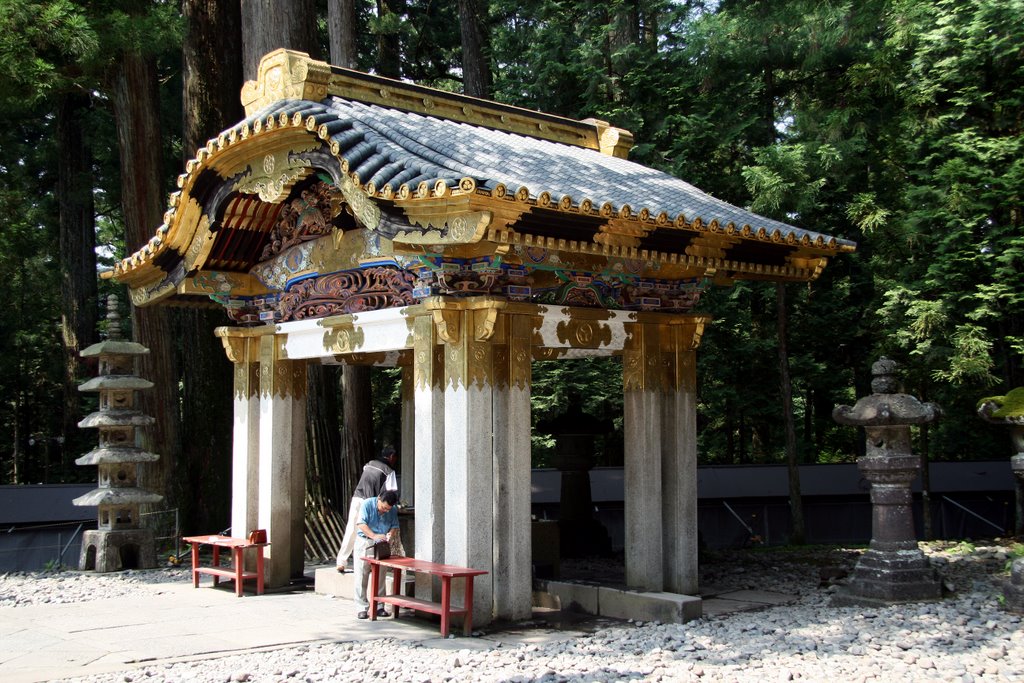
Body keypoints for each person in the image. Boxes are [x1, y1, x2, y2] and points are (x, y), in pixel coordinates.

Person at [336, 445, 398, 572]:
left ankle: (341, 561)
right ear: (392, 457)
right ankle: (369, 562)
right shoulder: (389, 471)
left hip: (357, 497)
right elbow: (390, 493)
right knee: (372, 532)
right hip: (370, 503)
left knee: (351, 529)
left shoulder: (369, 464)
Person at [353, 490, 400, 619]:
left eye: (388, 509)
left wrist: (390, 534)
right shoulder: (367, 504)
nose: (385, 511)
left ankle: (379, 605)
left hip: (382, 544)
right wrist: (374, 536)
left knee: (381, 575)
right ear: (379, 499)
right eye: (383, 507)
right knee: (362, 575)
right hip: (365, 542)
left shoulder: (392, 510)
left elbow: (394, 526)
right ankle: (362, 607)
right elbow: (361, 524)